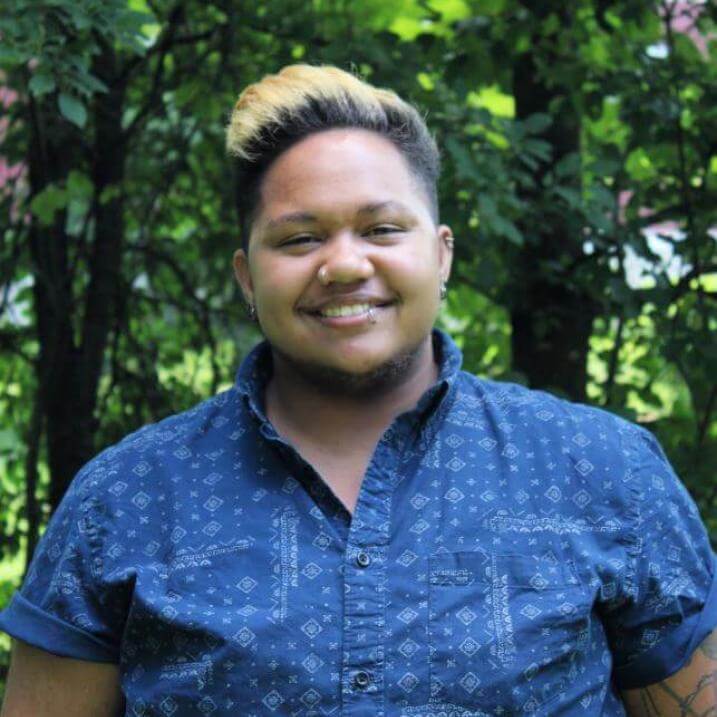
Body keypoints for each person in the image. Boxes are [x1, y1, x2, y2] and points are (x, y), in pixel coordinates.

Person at [1, 64, 716, 717]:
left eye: (380, 228)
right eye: (299, 239)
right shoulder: (124, 499)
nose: (344, 264)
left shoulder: (602, 470)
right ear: (247, 277)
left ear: (439, 255)